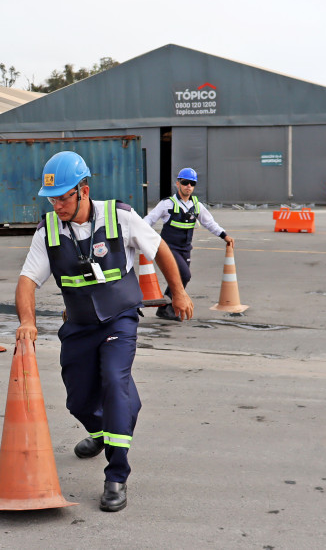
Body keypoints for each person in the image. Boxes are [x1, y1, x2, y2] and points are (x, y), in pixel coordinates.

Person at [15, 151, 193, 512]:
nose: (57, 205)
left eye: (64, 196)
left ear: (84, 190)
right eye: (52, 198)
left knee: (114, 380)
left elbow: (159, 249)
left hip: (119, 319)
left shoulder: (120, 216)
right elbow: (27, 280)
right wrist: (27, 321)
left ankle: (117, 476)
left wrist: (178, 291)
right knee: (78, 399)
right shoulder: (47, 230)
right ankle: (100, 432)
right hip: (79, 325)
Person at [143, 167, 234, 321]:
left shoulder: (197, 206)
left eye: (192, 183)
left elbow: (209, 223)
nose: (188, 186)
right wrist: (140, 234)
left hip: (185, 249)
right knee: (185, 274)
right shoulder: (167, 204)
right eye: (185, 183)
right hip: (169, 248)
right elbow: (149, 219)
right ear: (178, 183)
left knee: (183, 278)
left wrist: (224, 235)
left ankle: (165, 308)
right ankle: (168, 308)